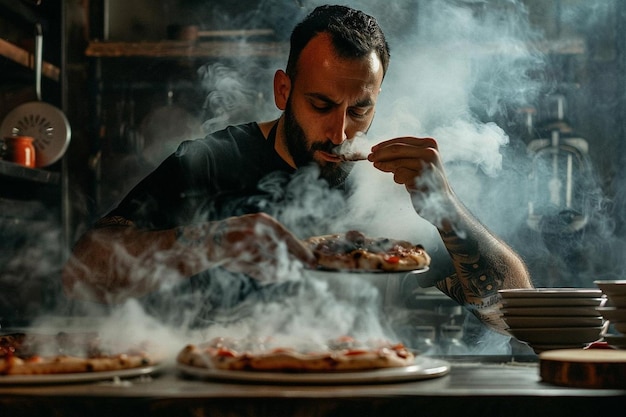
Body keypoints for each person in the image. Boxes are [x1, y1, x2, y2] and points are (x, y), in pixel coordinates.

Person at [62, 5, 532, 333]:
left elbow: (513, 314)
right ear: (283, 91)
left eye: (359, 110)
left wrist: (445, 207)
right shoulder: (208, 161)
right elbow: (81, 273)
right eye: (322, 104)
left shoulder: (394, 186)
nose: (340, 132)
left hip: (366, 387)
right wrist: (214, 241)